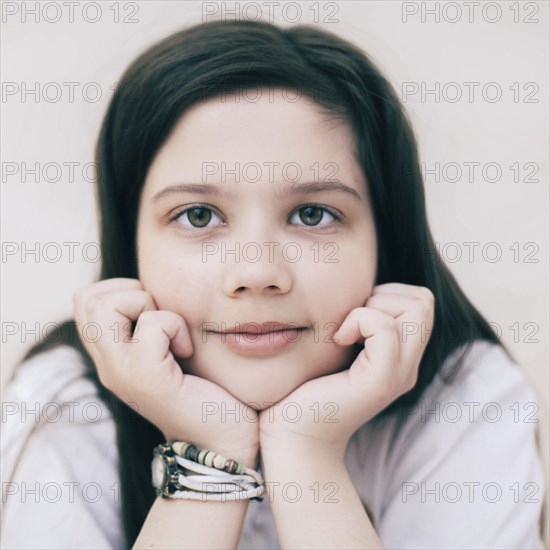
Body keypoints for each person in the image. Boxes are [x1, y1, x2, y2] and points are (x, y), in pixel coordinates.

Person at [1, 19, 547, 549]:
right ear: (131, 240)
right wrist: (210, 450)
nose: (257, 273)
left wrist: (309, 454)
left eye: (312, 214)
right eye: (197, 216)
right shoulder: (67, 401)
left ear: (386, 233)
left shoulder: (466, 399)